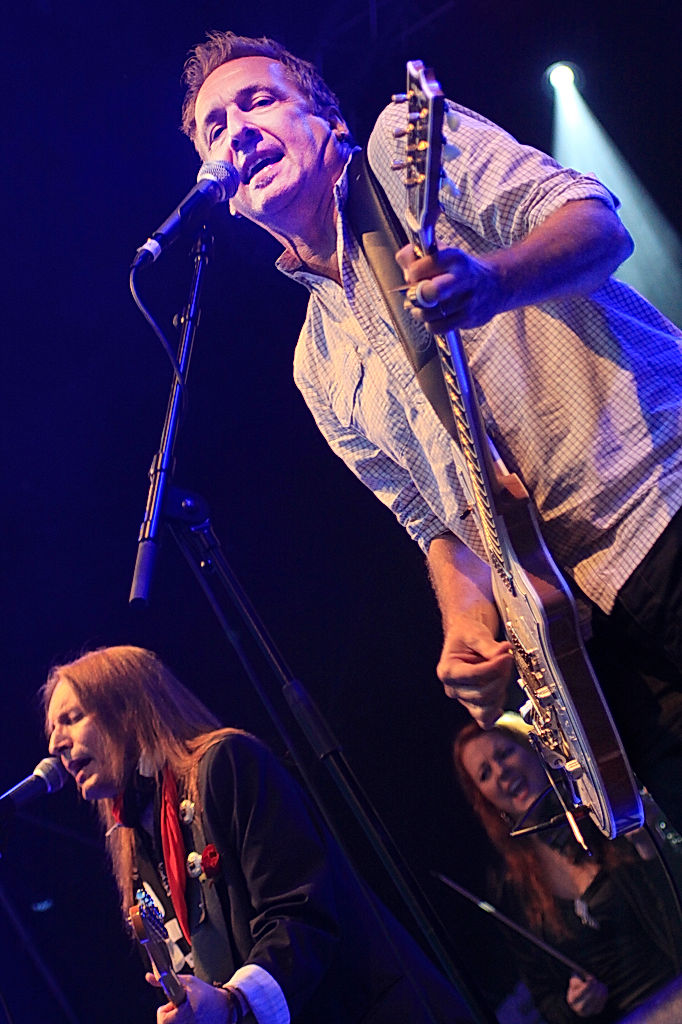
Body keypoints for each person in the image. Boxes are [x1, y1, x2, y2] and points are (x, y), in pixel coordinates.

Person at [176, 32, 682, 825]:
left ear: (327, 124)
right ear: (230, 198)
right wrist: (466, 626)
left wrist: (492, 283)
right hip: (589, 637)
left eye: (259, 100)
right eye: (214, 128)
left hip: (660, 505)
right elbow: (435, 523)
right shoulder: (317, 364)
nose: (235, 129)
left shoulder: (399, 146)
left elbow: (598, 227)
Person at [43, 645, 475, 1024]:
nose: (55, 745)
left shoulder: (227, 763)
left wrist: (233, 1002)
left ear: (127, 709)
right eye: (52, 730)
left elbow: (302, 912)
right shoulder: (133, 840)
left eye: (73, 718)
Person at [453, 712, 682, 1023]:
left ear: (533, 749)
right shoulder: (512, 889)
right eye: (484, 774)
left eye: (505, 753)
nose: (501, 772)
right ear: (486, 800)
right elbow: (546, 999)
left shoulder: (604, 811)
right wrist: (574, 1005)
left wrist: (649, 849)